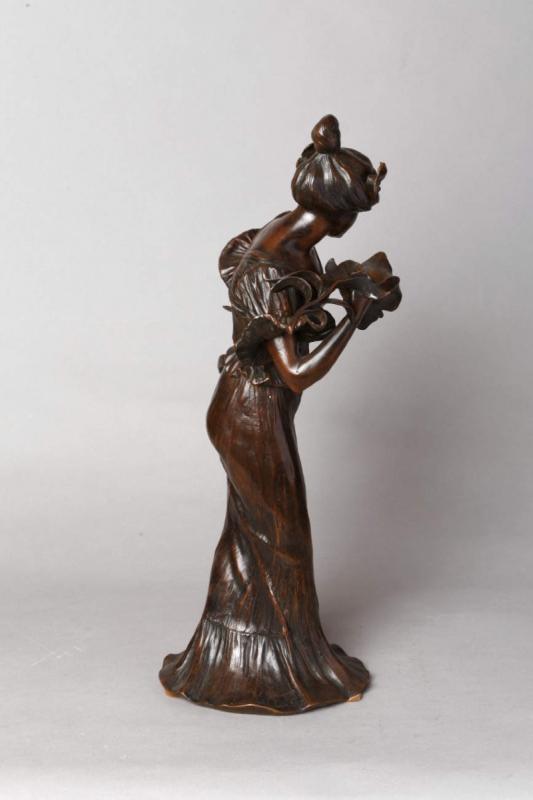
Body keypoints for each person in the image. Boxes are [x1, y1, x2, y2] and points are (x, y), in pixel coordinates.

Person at [160, 114, 400, 714]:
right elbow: (294, 373)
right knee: (284, 539)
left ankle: (229, 659)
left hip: (253, 408)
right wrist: (354, 319)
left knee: (252, 537)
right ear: (342, 215)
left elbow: (288, 328)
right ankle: (275, 670)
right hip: (252, 412)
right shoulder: (272, 267)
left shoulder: (288, 236)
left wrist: (335, 296)